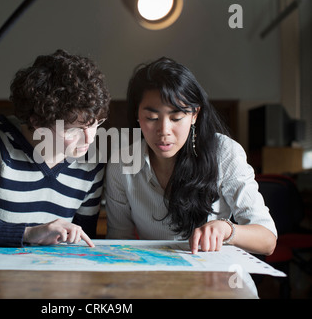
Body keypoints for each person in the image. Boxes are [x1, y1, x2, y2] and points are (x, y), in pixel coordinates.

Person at [0, 49, 110, 247]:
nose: (89, 138)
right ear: (38, 122)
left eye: (95, 123)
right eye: (73, 130)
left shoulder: (91, 165)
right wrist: (26, 234)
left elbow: (83, 243)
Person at [105, 56, 277, 256]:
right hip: (153, 275)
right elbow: (118, 241)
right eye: (151, 118)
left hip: (212, 278)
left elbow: (267, 240)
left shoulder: (223, 153)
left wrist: (227, 229)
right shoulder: (122, 163)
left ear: (194, 115)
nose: (164, 130)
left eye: (176, 117)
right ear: (137, 115)